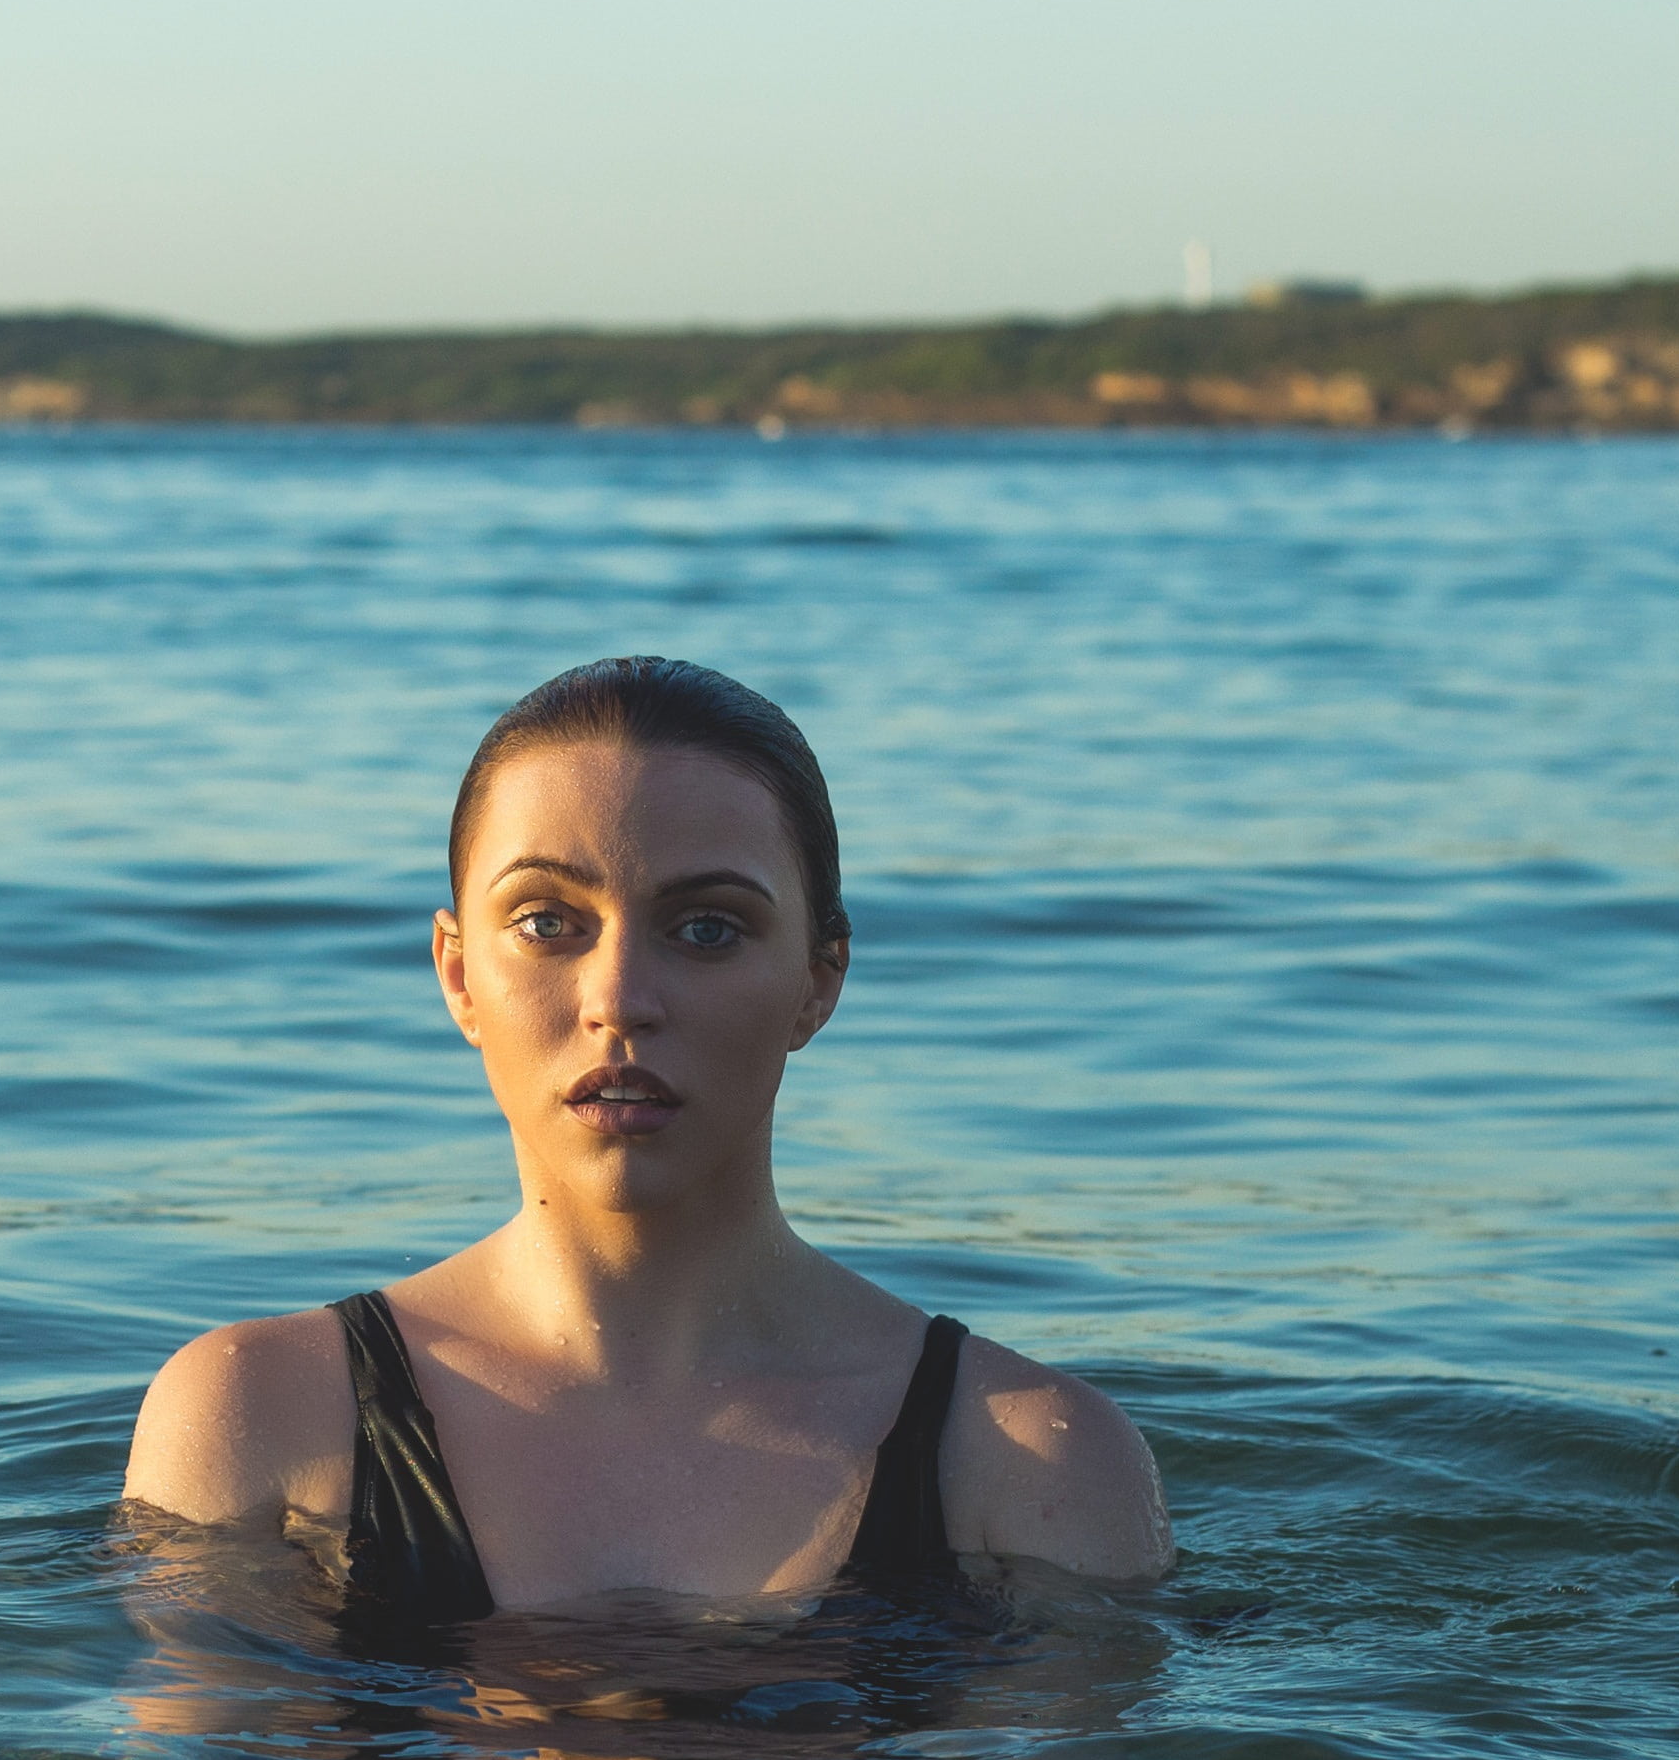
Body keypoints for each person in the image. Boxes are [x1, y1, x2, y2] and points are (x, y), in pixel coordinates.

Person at [123, 658, 1169, 1630]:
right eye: (546, 922)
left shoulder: (1027, 1465)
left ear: (820, 977)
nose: (618, 1000)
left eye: (706, 927)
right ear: (455, 973)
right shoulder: (265, 1418)